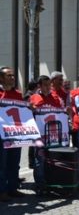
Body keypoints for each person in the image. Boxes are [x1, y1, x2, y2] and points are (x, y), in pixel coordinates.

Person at [29, 75, 64, 195]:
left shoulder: (56, 97)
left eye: (49, 85)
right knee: (40, 160)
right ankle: (40, 185)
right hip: (38, 136)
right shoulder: (33, 97)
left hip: (53, 135)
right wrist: (31, 109)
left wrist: (67, 111)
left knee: (53, 159)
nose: (48, 87)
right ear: (39, 86)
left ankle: (51, 182)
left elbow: (62, 112)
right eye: (45, 85)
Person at [0, 66, 25, 202]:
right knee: (2, 164)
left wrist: (28, 107)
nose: (12, 78)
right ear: (1, 78)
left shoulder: (18, 94)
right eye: (9, 75)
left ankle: (13, 188)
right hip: (1, 135)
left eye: (13, 75)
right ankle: (2, 191)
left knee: (14, 162)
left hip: (15, 134)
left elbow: (22, 111)